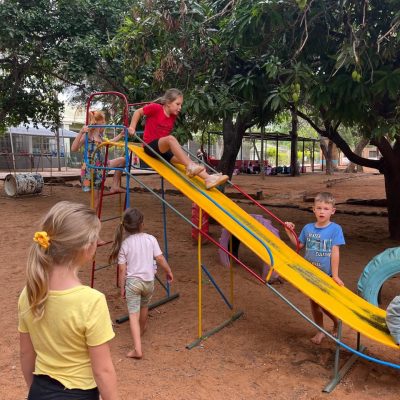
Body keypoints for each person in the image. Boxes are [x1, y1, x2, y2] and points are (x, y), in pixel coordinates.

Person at [18, 201, 119, 400]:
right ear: (87, 248)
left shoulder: (29, 293)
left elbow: (26, 354)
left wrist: (34, 391)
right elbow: (103, 371)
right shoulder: (91, 301)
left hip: (39, 391)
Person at [127, 88, 228, 190]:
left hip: (162, 150)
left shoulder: (172, 116)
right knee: (171, 139)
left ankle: (208, 179)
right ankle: (191, 167)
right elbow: (138, 112)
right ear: (168, 103)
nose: (180, 107)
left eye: (181, 105)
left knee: (187, 160)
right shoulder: (156, 108)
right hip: (150, 146)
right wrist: (132, 127)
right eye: (177, 104)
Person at [109, 208, 173, 359]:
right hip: (148, 281)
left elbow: (122, 270)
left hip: (133, 283)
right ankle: (142, 329)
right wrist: (168, 271)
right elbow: (160, 258)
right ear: (142, 224)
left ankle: (137, 349)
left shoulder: (125, 244)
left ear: (125, 227)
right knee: (144, 306)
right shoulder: (151, 239)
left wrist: (122, 287)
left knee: (133, 315)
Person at [284, 192, 345, 344]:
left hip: (326, 275)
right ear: (313, 209)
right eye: (319, 208)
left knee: (324, 305)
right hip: (310, 274)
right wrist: (289, 232)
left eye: (326, 208)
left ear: (332, 211)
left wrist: (335, 275)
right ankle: (320, 330)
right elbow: (299, 245)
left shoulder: (335, 229)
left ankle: (336, 323)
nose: (322, 211)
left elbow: (335, 252)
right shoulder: (308, 228)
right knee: (314, 304)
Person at [71, 110, 126, 211]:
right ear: (98, 122)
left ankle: (114, 185)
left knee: (123, 160)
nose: (105, 124)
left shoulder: (100, 137)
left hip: (102, 166)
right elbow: (74, 148)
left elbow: (109, 143)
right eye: (104, 122)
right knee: (96, 201)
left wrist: (120, 135)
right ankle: (91, 219)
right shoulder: (88, 136)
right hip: (91, 171)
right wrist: (81, 132)